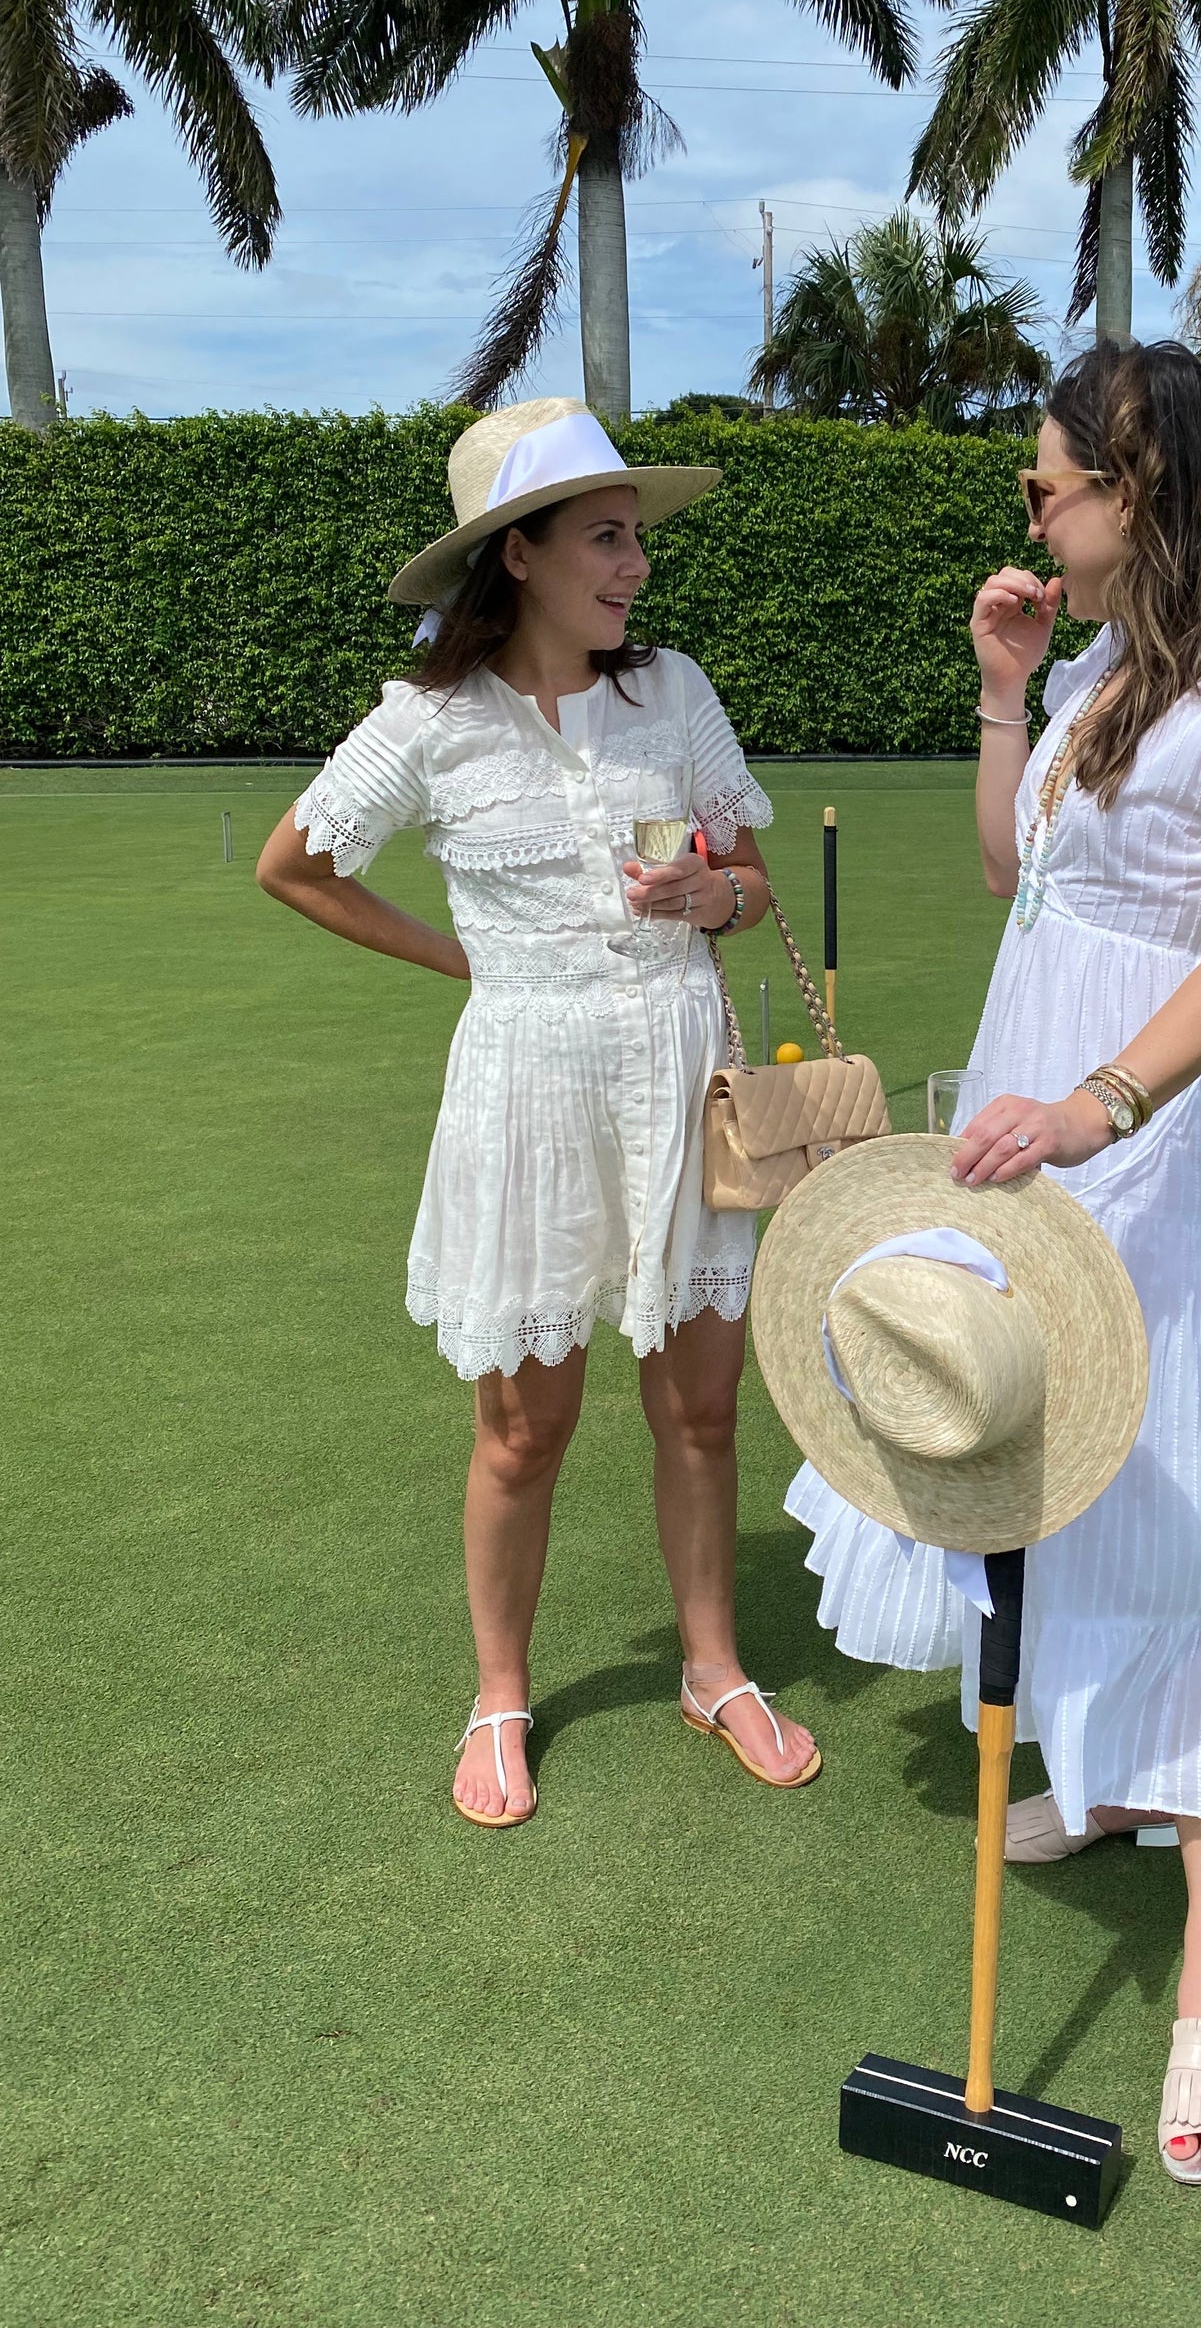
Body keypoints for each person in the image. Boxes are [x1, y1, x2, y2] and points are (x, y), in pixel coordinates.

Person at [787, 339, 1201, 2181]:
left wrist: (1096, 1109)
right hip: (1021, 1123)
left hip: (1152, 1142)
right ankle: (1102, 1779)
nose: (1026, 512)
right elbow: (1008, 878)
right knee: (1025, 1450)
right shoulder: (1100, 675)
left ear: (1145, 488)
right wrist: (1001, 693)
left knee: (1165, 1491)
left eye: (1049, 483)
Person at [257, 396, 820, 1826]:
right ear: (517, 555)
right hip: (527, 1088)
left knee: (700, 1407)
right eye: (605, 538)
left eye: (636, 538)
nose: (634, 565)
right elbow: (295, 865)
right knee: (522, 1425)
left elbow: (752, 886)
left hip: (682, 1072)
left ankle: (711, 1666)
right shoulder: (429, 725)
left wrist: (717, 895)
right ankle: (499, 1692)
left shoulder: (674, 692)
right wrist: (461, 957)